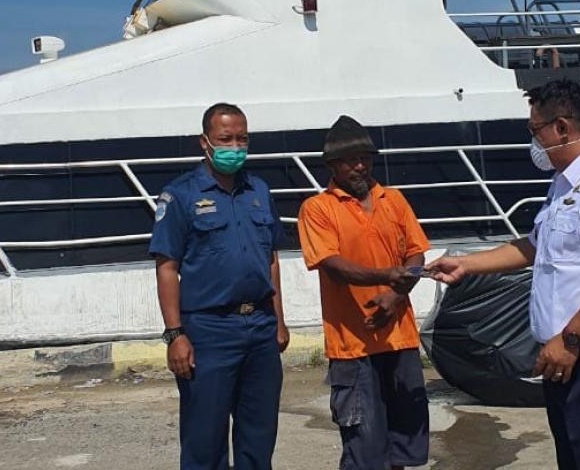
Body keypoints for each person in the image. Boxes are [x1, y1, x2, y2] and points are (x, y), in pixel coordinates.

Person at [427, 80, 580, 470]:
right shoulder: (565, 183)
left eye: (536, 131)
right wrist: (467, 265)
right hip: (567, 358)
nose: (534, 141)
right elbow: (535, 246)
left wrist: (570, 339)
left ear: (562, 128)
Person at [149, 103, 289, 470]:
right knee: (204, 441)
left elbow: (270, 259)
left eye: (242, 139)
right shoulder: (180, 195)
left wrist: (279, 319)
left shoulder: (258, 190)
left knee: (258, 439)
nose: (236, 147)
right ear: (205, 142)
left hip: (259, 327)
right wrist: (174, 334)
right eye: (226, 139)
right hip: (208, 331)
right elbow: (167, 267)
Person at [297, 116, 430, 470]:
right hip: (352, 346)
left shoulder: (395, 200)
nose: (360, 166)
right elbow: (333, 266)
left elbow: (416, 252)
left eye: (365, 158)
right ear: (331, 166)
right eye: (350, 160)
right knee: (363, 449)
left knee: (403, 445)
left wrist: (395, 295)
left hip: (400, 340)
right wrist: (387, 275)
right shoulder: (317, 209)